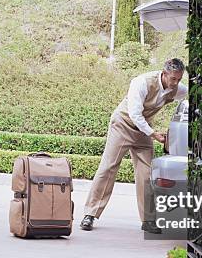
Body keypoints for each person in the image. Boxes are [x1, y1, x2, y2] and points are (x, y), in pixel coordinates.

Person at [80, 58, 188, 234]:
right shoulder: (141, 83)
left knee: (147, 175)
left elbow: (185, 103)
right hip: (123, 125)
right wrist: (153, 133)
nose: (175, 83)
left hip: (143, 131)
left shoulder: (179, 89)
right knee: (108, 167)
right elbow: (135, 114)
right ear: (164, 73)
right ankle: (90, 214)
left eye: (179, 79)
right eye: (173, 78)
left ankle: (148, 220)